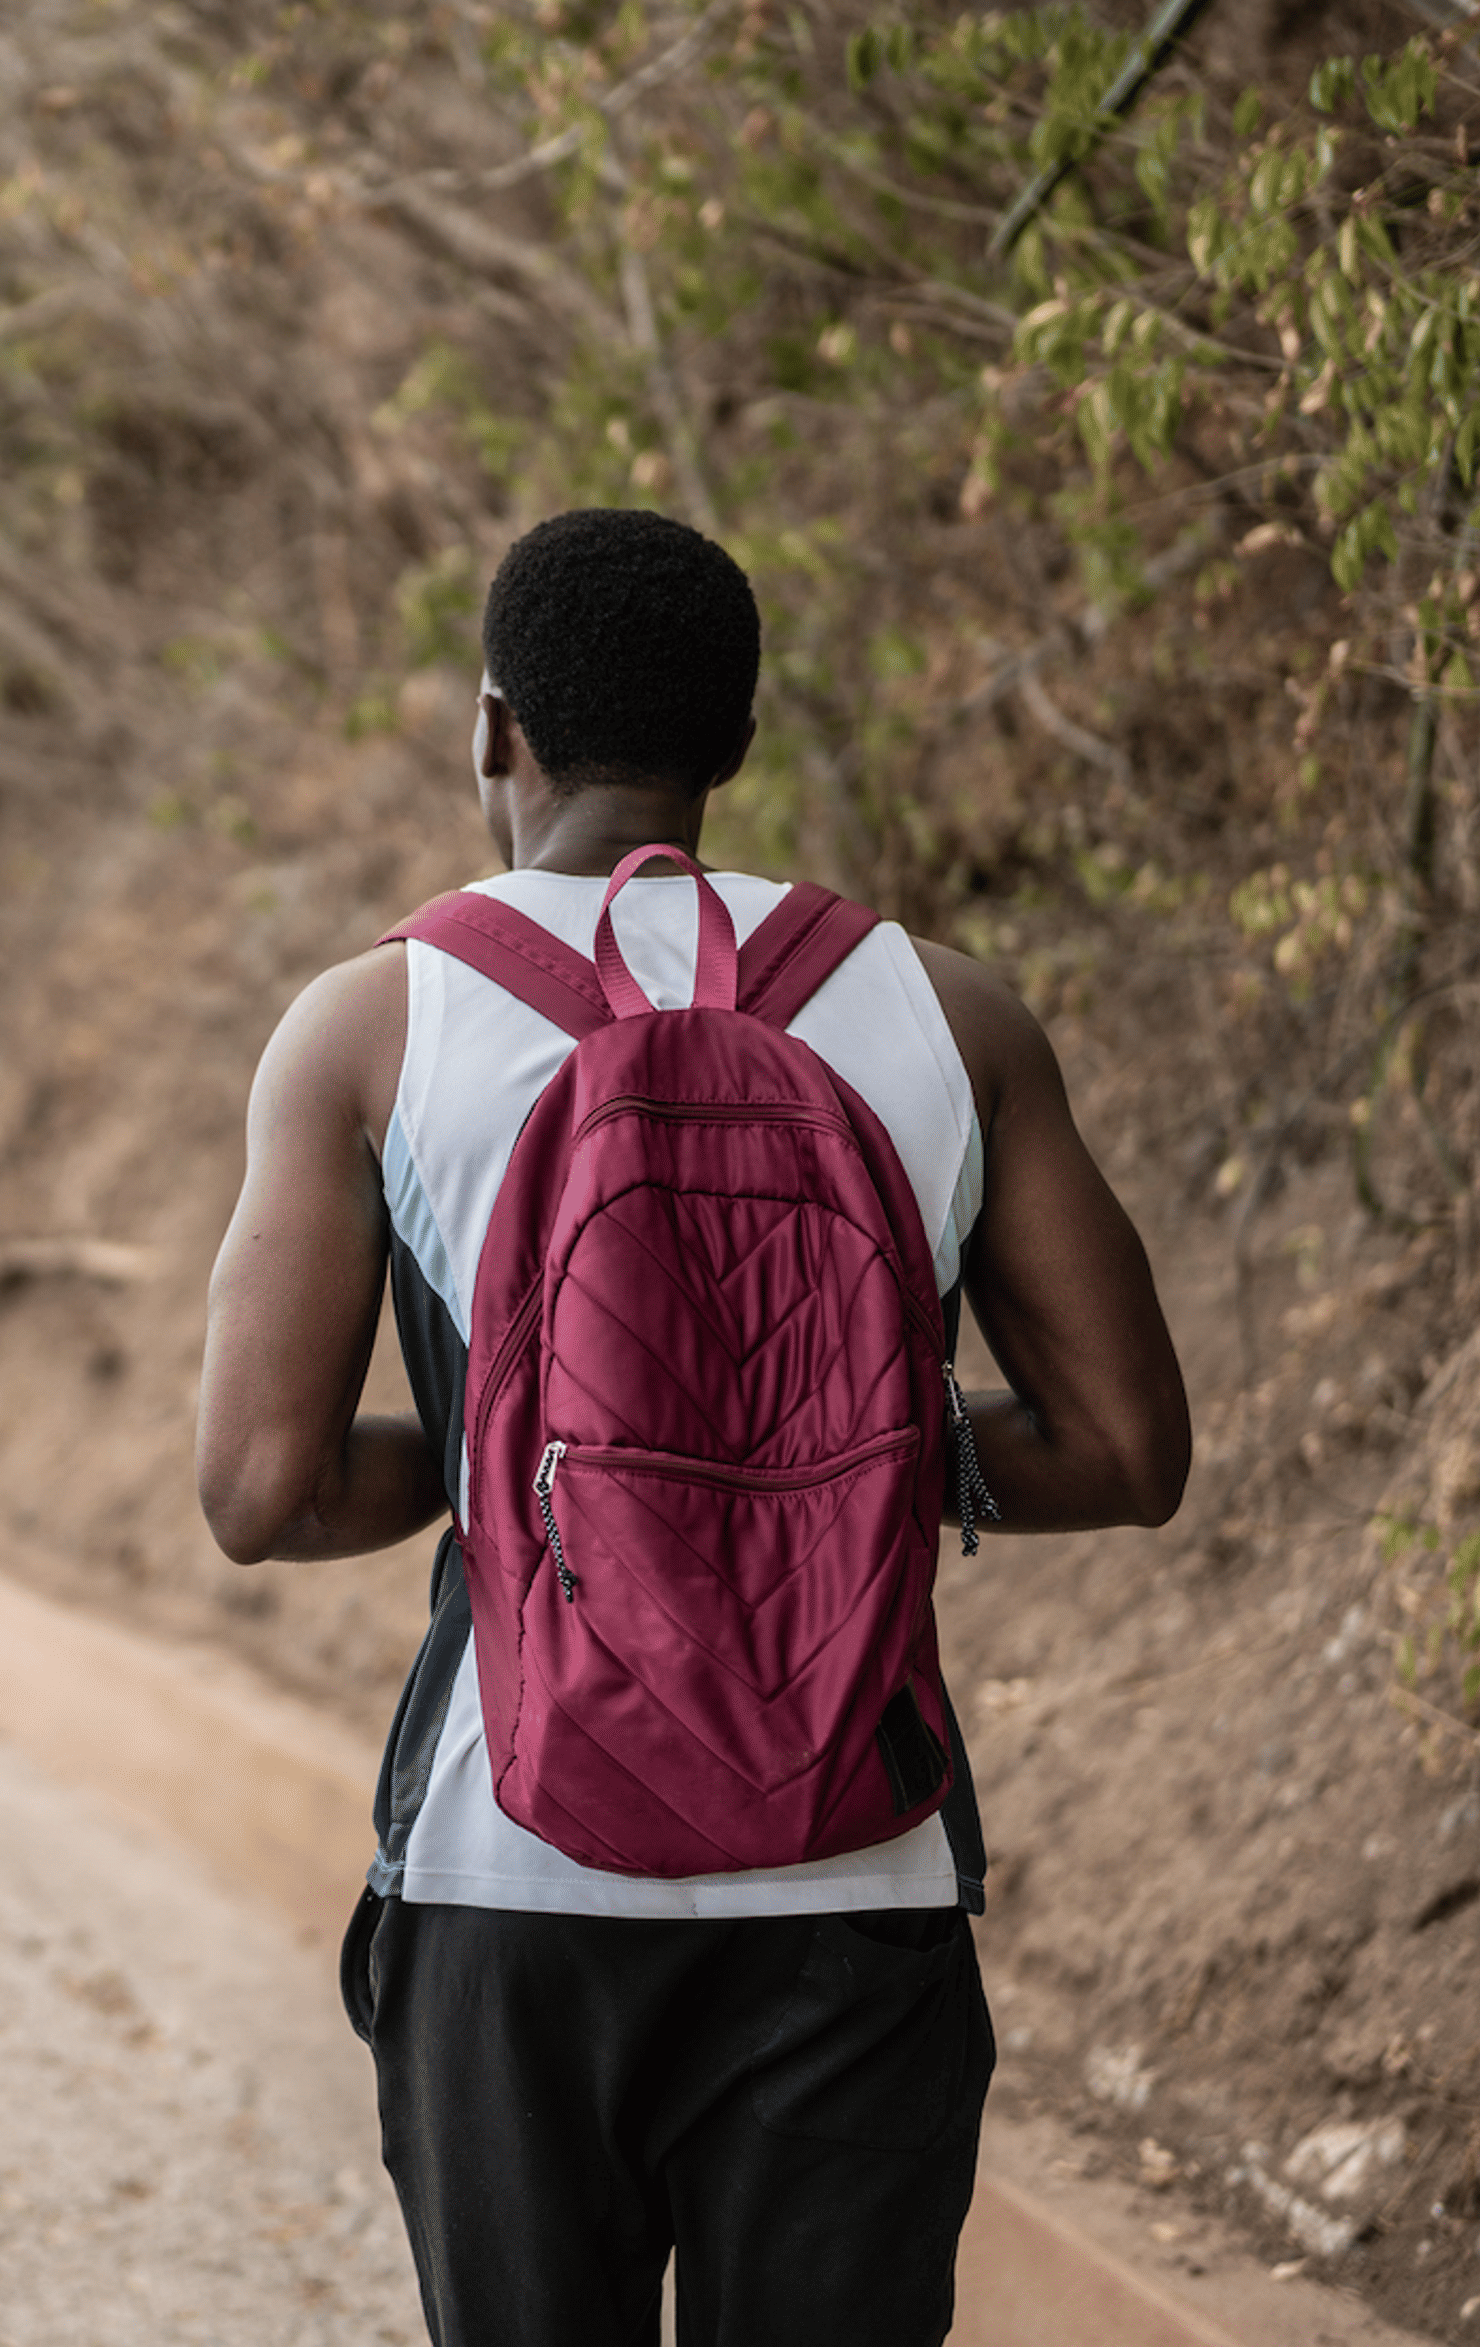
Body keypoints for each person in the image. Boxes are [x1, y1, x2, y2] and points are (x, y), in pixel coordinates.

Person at [193, 507, 1191, 2347]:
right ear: (737, 739)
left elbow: (265, 1487)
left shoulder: (370, 1026)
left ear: (492, 727)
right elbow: (1128, 1452)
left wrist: (529, 1462)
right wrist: (847, 1449)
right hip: (858, 1866)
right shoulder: (944, 1013)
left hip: (511, 1865)